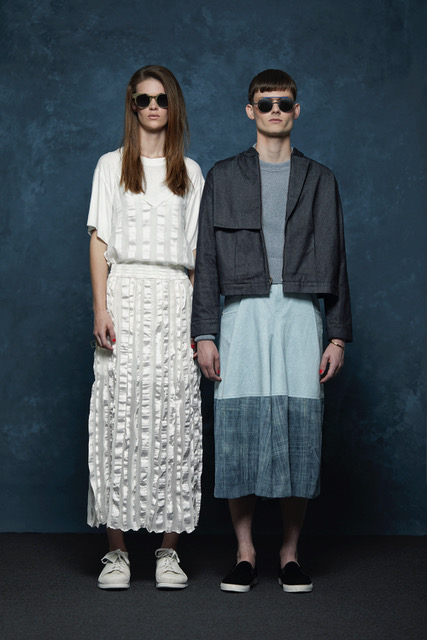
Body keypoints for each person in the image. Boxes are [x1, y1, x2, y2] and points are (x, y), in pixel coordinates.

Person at [191, 69, 352, 594]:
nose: (275, 110)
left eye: (284, 103)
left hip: (302, 312)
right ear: (250, 111)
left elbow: (337, 259)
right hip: (242, 312)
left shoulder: (320, 179)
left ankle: (289, 553)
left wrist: (337, 336)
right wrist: (205, 332)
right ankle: (244, 552)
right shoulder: (222, 176)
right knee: (238, 426)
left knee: (299, 425)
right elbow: (206, 259)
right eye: (266, 103)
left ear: (296, 110)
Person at [87, 65, 204, 590]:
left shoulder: (191, 172)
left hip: (175, 300)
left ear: (172, 105)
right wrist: (100, 309)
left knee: (174, 419)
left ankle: (168, 552)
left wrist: (201, 325)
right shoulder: (110, 165)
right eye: (143, 99)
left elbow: (198, 254)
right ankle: (116, 553)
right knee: (118, 418)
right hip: (125, 297)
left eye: (161, 98)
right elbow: (99, 241)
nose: (153, 106)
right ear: (131, 106)